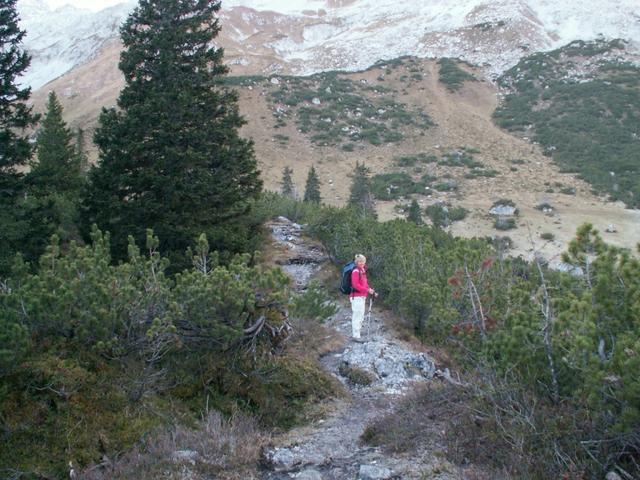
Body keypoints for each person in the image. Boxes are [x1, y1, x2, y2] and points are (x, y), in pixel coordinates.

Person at [350, 254, 377, 342]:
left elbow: (365, 284)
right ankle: (356, 336)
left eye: (363, 261)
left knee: (361, 315)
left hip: (361, 297)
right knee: (357, 316)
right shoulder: (356, 271)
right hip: (356, 297)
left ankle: (358, 334)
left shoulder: (362, 271)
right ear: (356, 262)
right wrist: (367, 290)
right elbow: (355, 285)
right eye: (359, 261)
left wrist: (371, 290)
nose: (361, 263)